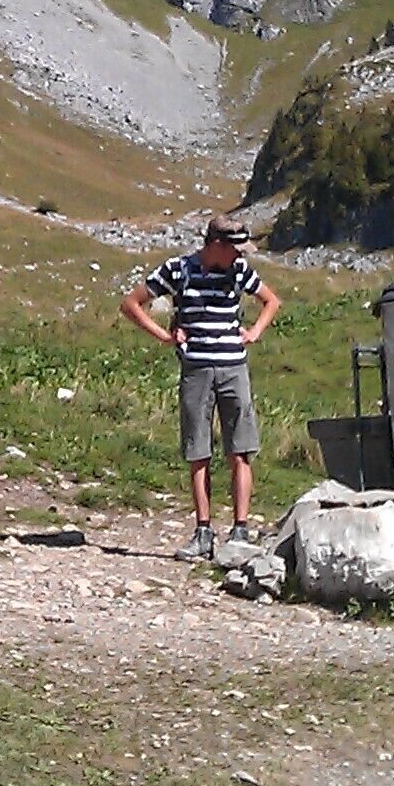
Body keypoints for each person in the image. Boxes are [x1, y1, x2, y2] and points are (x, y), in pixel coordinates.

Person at [121, 217, 280, 560]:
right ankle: (203, 531)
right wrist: (164, 335)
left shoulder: (240, 272)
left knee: (241, 449)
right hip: (196, 369)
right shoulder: (178, 269)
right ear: (216, 245)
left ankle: (240, 529)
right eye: (236, 250)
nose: (241, 257)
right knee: (198, 450)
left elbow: (271, 301)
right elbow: (132, 303)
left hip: (234, 367)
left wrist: (253, 332)